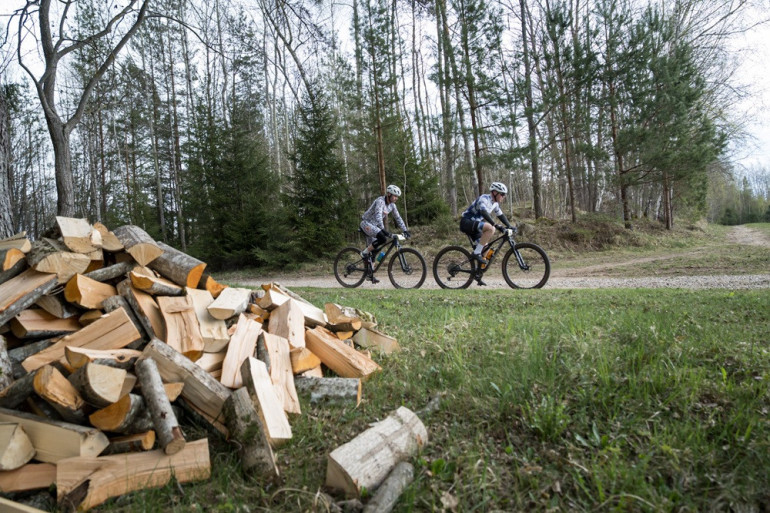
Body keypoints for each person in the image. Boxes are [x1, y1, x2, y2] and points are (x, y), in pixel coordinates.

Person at [360, 184, 411, 283]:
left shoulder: (392, 205)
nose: (396, 198)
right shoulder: (380, 201)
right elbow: (379, 216)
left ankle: (369, 275)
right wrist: (383, 230)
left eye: (397, 197)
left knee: (374, 251)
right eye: (394, 196)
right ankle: (363, 253)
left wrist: (405, 230)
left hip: (374, 226)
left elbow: (398, 218)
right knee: (383, 238)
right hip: (367, 223)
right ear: (388, 194)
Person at [460, 181, 516, 272]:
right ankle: (476, 253)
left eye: (504, 195)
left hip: (475, 225)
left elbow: (501, 215)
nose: (503, 197)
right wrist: (496, 225)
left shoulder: (495, 204)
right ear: (494, 192)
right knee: (491, 228)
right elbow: (484, 212)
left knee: (485, 249)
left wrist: (509, 226)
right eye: (502, 194)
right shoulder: (484, 198)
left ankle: (478, 274)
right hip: (467, 222)